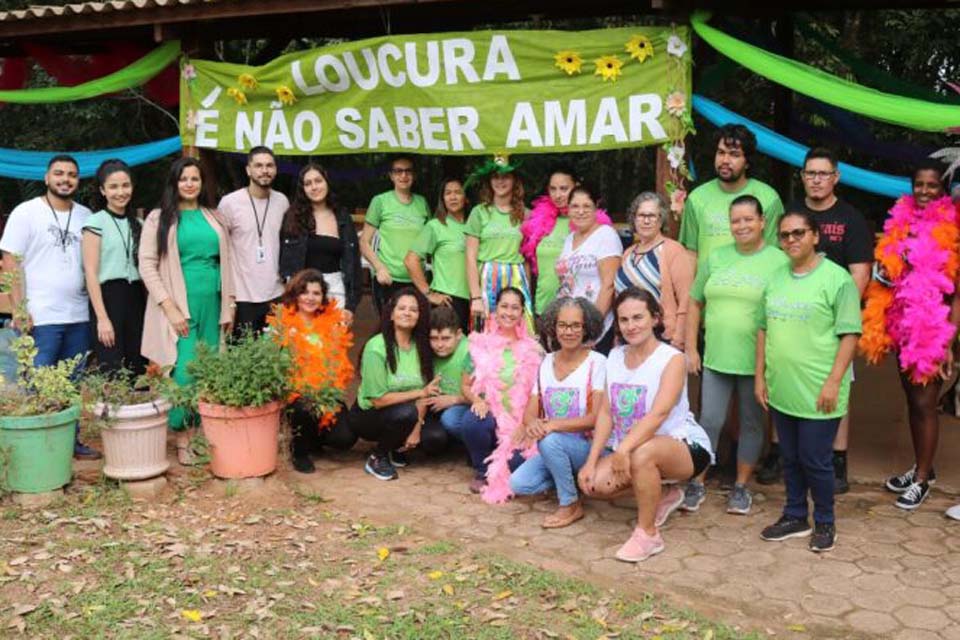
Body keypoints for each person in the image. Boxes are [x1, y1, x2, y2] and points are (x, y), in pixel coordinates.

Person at [758, 148, 873, 494]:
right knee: (784, 386)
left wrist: (837, 315)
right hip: (789, 316)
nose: (817, 180)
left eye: (824, 174)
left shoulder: (851, 219)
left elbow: (860, 274)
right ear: (803, 177)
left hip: (830, 319)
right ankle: (779, 452)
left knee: (836, 389)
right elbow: (778, 265)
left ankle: (837, 459)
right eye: (811, 173)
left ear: (836, 177)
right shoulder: (791, 214)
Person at [579, 288, 714, 563]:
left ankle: (648, 534)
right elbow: (606, 412)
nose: (631, 326)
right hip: (633, 447)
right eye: (624, 319)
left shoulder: (672, 358)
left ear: (655, 318)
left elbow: (659, 413)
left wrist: (623, 448)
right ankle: (663, 493)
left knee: (643, 454)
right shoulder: (615, 356)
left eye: (638, 317)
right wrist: (591, 461)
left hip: (681, 445)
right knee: (595, 485)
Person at [756, 211, 861, 553]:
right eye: (784, 235)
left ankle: (826, 522)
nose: (791, 240)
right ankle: (795, 515)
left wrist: (834, 381)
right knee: (789, 456)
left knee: (815, 458)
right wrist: (760, 376)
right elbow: (763, 329)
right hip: (783, 386)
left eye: (798, 233)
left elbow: (849, 335)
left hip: (819, 389)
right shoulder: (774, 278)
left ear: (815, 236)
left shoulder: (837, 279)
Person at [860, 161, 960, 512]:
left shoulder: (952, 227)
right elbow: (890, 265)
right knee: (912, 399)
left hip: (932, 326)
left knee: (924, 403)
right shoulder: (903, 220)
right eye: (919, 184)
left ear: (942, 190)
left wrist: (949, 340)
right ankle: (924, 467)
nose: (924, 191)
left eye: (932, 185)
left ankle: (921, 480)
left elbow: (957, 290)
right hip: (903, 321)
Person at [683, 195, 788, 514]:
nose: (741, 226)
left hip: (756, 362)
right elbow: (694, 301)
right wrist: (690, 346)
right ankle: (697, 481)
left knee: (752, 424)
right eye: (735, 220)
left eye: (748, 220)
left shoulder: (778, 260)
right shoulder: (716, 257)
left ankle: (741, 486)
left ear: (762, 223)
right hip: (716, 356)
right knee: (709, 420)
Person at [0, 154, 100, 459]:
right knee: (37, 383)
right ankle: (38, 451)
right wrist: (18, 307)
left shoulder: (86, 216)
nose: (65, 179)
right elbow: (9, 260)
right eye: (59, 173)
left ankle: (69, 443)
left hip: (79, 315)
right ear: (46, 178)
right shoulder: (26, 212)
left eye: (71, 175)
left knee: (72, 384)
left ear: (77, 181)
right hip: (39, 317)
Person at [139, 157, 235, 464]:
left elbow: (228, 263)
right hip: (179, 306)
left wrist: (229, 306)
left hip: (214, 302)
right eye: (184, 179)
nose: (190, 184)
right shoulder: (159, 218)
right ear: (174, 183)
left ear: (203, 183)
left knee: (210, 369)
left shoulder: (215, 216)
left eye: (195, 178)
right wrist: (170, 307)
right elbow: (147, 264)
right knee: (182, 372)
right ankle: (182, 438)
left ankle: (202, 436)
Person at [509, 297, 606, 528]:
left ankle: (570, 504)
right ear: (553, 327)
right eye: (562, 325)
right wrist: (532, 423)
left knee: (551, 439)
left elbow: (595, 419)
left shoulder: (597, 362)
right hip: (552, 447)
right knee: (519, 484)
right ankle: (568, 480)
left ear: (586, 328)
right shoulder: (547, 362)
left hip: (587, 448)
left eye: (575, 326)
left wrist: (551, 425)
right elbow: (530, 412)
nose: (568, 331)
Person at [349, 287, 446, 481]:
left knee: (435, 437)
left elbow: (425, 393)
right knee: (405, 413)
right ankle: (378, 456)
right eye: (402, 308)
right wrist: (419, 393)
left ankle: (395, 446)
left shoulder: (422, 347)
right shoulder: (376, 347)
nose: (407, 313)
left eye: (414, 309)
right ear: (391, 314)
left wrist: (416, 429)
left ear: (420, 316)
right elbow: (378, 400)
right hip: (368, 416)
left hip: (405, 413)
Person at [267, 269, 357, 474]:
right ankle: (299, 451)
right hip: (294, 394)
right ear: (295, 295)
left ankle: (313, 439)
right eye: (304, 292)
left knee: (345, 438)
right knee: (302, 407)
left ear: (323, 297)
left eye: (316, 293)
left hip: (324, 391)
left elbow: (339, 364)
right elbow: (273, 366)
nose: (310, 298)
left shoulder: (332, 323)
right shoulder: (281, 323)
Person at [460, 287, 542, 499]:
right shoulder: (479, 344)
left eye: (515, 308)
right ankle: (481, 469)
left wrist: (525, 424)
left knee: (517, 462)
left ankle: (503, 464)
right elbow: (465, 385)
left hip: (518, 421)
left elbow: (538, 393)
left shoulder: (533, 350)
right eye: (504, 306)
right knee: (472, 422)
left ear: (522, 313)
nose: (509, 312)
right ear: (495, 311)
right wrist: (477, 400)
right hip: (491, 413)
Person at [678, 124, 784, 267]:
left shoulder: (768, 198)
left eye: (734, 154)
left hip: (753, 286)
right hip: (707, 287)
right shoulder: (697, 198)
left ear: (747, 162)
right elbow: (690, 253)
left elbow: (775, 254)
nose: (725, 160)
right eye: (721, 152)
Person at [81, 159, 146, 377]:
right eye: (113, 186)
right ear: (103, 190)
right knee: (112, 368)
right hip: (108, 298)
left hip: (136, 297)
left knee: (138, 365)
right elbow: (90, 272)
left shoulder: (139, 224)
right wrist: (102, 318)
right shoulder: (95, 222)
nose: (121, 192)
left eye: (125, 185)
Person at [520, 166, 612, 317]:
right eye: (553, 189)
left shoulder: (589, 222)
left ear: (576, 187)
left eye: (564, 188)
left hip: (576, 310)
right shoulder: (539, 221)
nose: (558, 195)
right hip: (543, 306)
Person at [218, 146, 288, 335]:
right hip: (242, 297)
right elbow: (220, 250)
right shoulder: (229, 203)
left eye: (269, 165)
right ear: (248, 170)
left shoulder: (282, 201)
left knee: (273, 358)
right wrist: (228, 299)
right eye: (258, 165)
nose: (264, 170)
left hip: (276, 295)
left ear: (275, 169)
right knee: (241, 358)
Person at [279, 164, 362, 325]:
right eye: (308, 183)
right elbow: (285, 264)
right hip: (303, 293)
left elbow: (354, 264)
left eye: (318, 181)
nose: (314, 187)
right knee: (303, 347)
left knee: (334, 347)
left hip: (336, 291)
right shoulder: (293, 217)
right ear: (302, 189)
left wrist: (351, 306)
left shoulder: (343, 217)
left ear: (327, 183)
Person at [615, 191, 693, 350]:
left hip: (662, 337)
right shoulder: (628, 253)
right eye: (641, 215)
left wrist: (679, 336)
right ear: (634, 219)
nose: (646, 221)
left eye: (652, 216)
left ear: (661, 219)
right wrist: (617, 335)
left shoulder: (673, 250)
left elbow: (687, 299)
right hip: (629, 335)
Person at [464, 155, 533, 329]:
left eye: (506, 177)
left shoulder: (527, 215)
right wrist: (476, 297)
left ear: (514, 181)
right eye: (495, 177)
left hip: (517, 278)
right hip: (487, 278)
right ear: (489, 181)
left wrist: (529, 294)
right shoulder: (478, 212)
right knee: (486, 333)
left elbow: (526, 259)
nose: (500, 181)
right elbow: (470, 258)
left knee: (520, 334)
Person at [555, 186, 622, 354]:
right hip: (571, 326)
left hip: (595, 328)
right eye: (575, 206)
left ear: (596, 207)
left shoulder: (606, 235)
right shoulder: (569, 238)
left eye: (587, 206)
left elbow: (609, 285)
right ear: (568, 209)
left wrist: (592, 329)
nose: (580, 211)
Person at [360, 156, 431, 314]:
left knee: (415, 328)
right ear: (391, 176)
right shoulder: (380, 201)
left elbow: (431, 242)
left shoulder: (422, 203)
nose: (403, 176)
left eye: (408, 171)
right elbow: (364, 242)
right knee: (389, 328)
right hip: (388, 279)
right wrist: (379, 268)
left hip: (417, 280)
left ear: (414, 175)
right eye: (398, 171)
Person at [405, 178, 471, 332]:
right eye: (448, 193)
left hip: (477, 299)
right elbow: (411, 260)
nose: (453, 197)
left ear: (466, 198)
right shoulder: (436, 226)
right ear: (442, 199)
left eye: (457, 192)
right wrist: (428, 293)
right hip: (448, 300)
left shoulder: (475, 225)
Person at [424, 305, 471, 445]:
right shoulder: (425, 348)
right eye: (434, 338)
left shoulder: (471, 351)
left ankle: (473, 444)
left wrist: (455, 399)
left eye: (445, 338)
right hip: (434, 407)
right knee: (432, 441)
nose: (439, 345)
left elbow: (488, 398)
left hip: (464, 406)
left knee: (450, 419)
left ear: (458, 335)